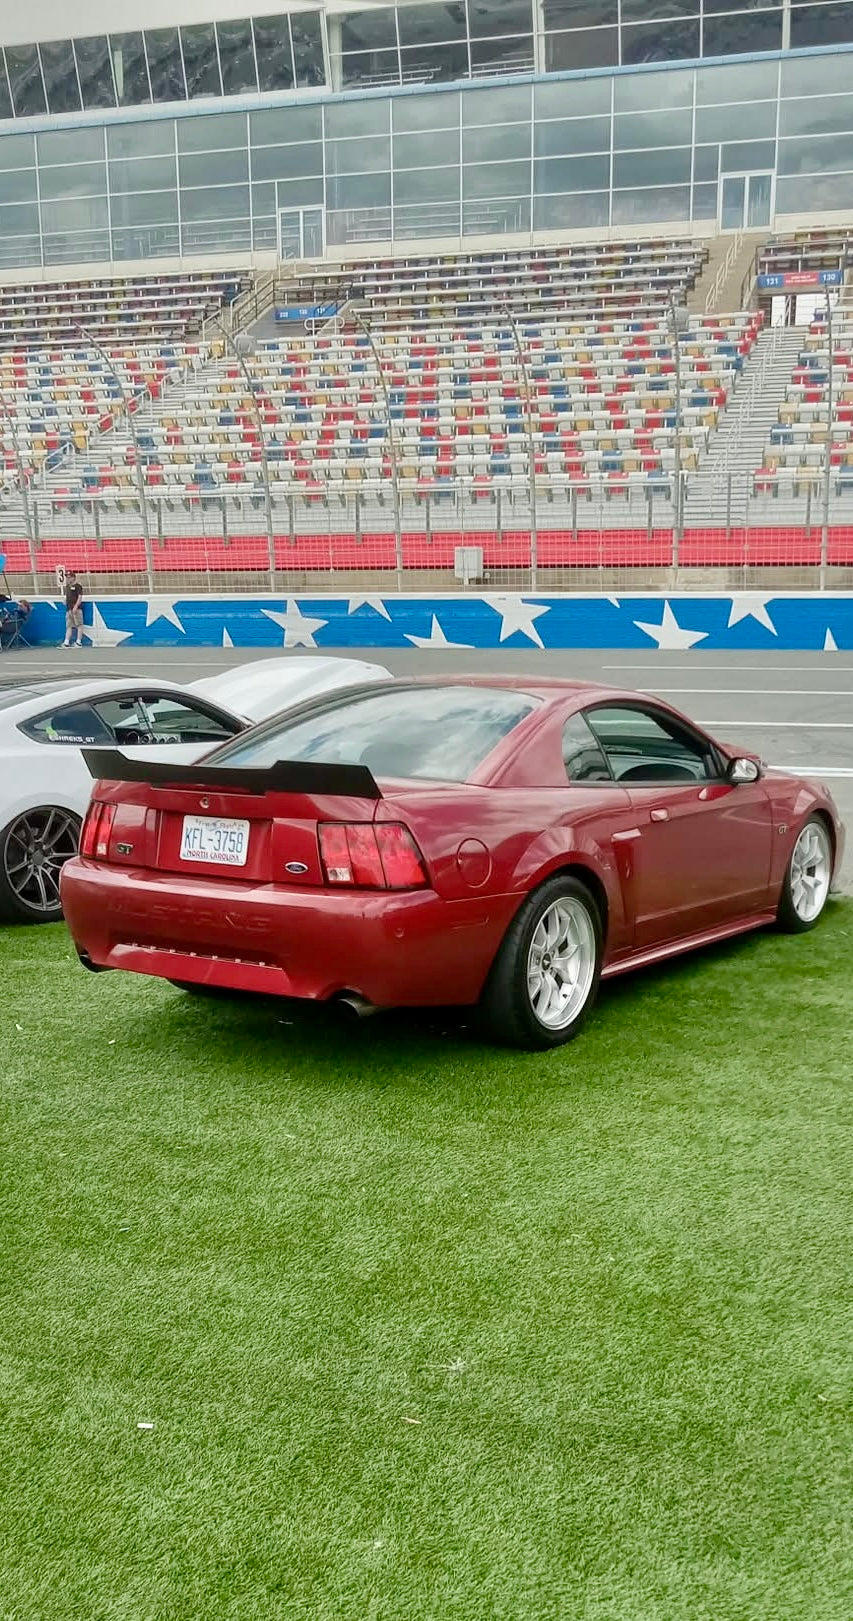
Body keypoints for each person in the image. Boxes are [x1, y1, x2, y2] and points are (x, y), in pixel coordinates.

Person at [63, 571, 85, 648]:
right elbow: (67, 596)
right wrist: (65, 601)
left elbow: (80, 597)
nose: (68, 579)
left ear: (73, 577)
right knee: (69, 626)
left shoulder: (78, 586)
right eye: (67, 577)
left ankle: (78, 642)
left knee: (79, 625)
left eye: (69, 577)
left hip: (76, 609)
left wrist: (76, 606)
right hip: (68, 609)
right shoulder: (67, 587)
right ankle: (66, 642)